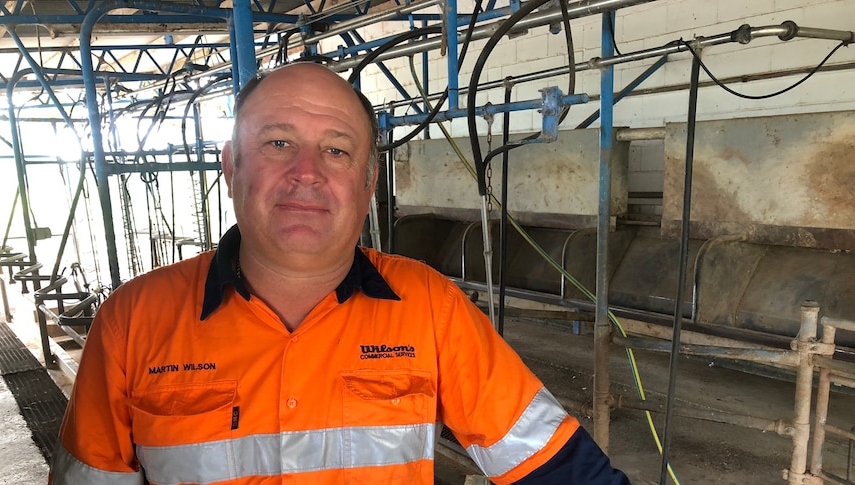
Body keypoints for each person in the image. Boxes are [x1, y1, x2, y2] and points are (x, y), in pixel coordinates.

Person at [51, 62, 631, 485]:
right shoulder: (134, 320)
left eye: (336, 150)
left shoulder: (428, 306)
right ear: (231, 166)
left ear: (368, 183)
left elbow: (559, 468)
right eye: (278, 142)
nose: (306, 173)